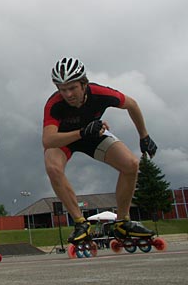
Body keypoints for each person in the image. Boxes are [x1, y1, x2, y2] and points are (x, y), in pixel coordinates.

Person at [42, 57, 158, 244]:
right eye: (62, 90)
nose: (68, 94)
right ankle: (80, 223)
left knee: (131, 164)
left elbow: (132, 104)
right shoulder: (54, 104)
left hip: (93, 136)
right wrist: (81, 132)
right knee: (53, 167)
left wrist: (144, 135)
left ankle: (122, 223)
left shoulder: (100, 93)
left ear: (84, 84)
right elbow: (48, 140)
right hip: (66, 139)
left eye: (72, 88)